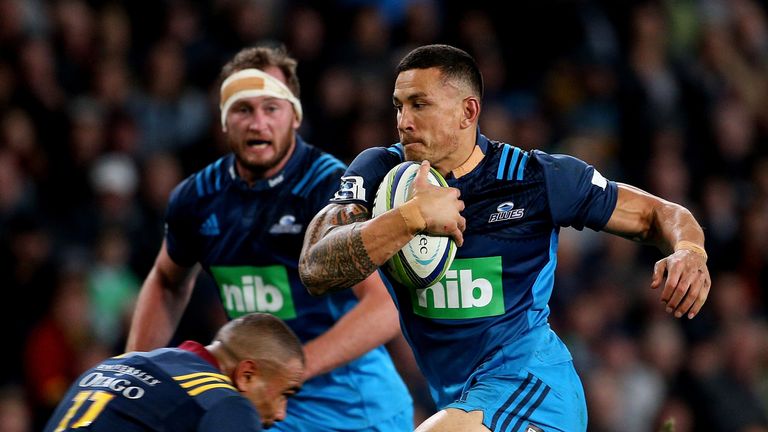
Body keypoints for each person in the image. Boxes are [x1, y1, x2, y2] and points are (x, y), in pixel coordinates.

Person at [298, 44, 711, 432]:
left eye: (420, 105)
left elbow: (661, 214)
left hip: (534, 390)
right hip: (462, 400)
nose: (404, 121)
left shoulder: (535, 178)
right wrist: (410, 218)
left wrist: (689, 250)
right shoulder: (378, 174)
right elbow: (315, 267)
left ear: (468, 111)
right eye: (399, 106)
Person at [125, 45, 413, 431]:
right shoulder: (196, 198)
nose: (258, 122)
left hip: (352, 407)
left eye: (271, 107)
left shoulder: (331, 187)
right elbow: (165, 282)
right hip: (259, 400)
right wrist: (134, 375)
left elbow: (383, 308)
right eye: (244, 109)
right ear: (225, 121)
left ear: (294, 115)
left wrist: (286, 374)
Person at [44, 312, 305, 431]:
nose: (282, 413)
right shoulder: (225, 402)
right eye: (285, 393)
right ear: (247, 375)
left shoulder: (115, 364)